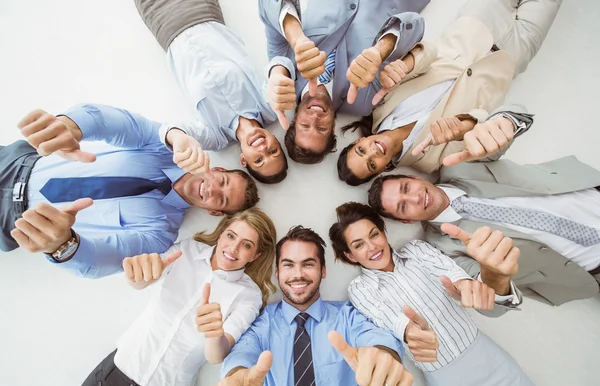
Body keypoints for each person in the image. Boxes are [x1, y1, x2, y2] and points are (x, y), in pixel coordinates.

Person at [2, 104, 259, 278]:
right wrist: (71, 126)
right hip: (15, 162)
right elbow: (113, 122)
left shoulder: (159, 234)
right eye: (222, 182)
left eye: (222, 199)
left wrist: (62, 245)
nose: (213, 189)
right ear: (219, 170)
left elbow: (100, 261)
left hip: (13, 224)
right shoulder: (162, 147)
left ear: (214, 211)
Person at [329, 202, 541, 386]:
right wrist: (409, 330)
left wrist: (464, 284)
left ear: (384, 233)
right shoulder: (360, 289)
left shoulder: (416, 251)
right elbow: (388, 319)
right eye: (359, 245)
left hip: (488, 359)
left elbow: (451, 272)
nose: (372, 247)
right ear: (350, 256)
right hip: (447, 382)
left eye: (374, 235)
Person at [337, 0, 562, 185]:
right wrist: (462, 128)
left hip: (474, 26)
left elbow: (430, 54)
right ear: (383, 168)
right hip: (508, 59)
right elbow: (485, 124)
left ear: (362, 140)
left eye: (361, 151)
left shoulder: (381, 104)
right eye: (372, 164)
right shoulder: (430, 162)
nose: (372, 152)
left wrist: (406, 65)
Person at [74, 208, 277, 386]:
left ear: (255, 255)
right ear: (222, 233)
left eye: (247, 245)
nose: (233, 248)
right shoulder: (187, 249)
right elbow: (145, 278)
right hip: (113, 374)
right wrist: (137, 276)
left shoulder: (250, 295)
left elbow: (217, 356)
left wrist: (215, 334)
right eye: (231, 236)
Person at [207, 226, 413, 386]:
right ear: (277, 273)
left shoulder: (348, 316)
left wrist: (383, 356)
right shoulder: (263, 323)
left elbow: (377, 339)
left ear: (323, 270)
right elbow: (242, 354)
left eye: (308, 264)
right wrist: (234, 377)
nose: (298, 274)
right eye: (288, 265)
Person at [367, 156, 600, 305]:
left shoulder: (459, 163)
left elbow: (505, 124)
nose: (415, 198)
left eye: (406, 188)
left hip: (591, 194)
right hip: (593, 265)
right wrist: (494, 279)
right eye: (403, 206)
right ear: (407, 221)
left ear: (411, 177)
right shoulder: (444, 250)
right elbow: (490, 302)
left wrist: (503, 121)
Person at [134, 0, 289, 184]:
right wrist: (280, 73)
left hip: (165, 23)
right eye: (273, 151)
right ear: (276, 140)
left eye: (258, 160)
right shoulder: (270, 107)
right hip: (203, 9)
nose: (263, 149)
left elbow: (169, 129)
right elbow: (280, 61)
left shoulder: (215, 139)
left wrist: (177, 138)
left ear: (243, 160)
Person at [259, 0, 429, 163]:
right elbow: (416, 24)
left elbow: (267, 4)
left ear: (295, 118)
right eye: (321, 129)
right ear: (332, 127)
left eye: (305, 125)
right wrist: (382, 50)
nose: (315, 119)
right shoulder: (363, 102)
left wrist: (296, 39)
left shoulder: (283, 75)